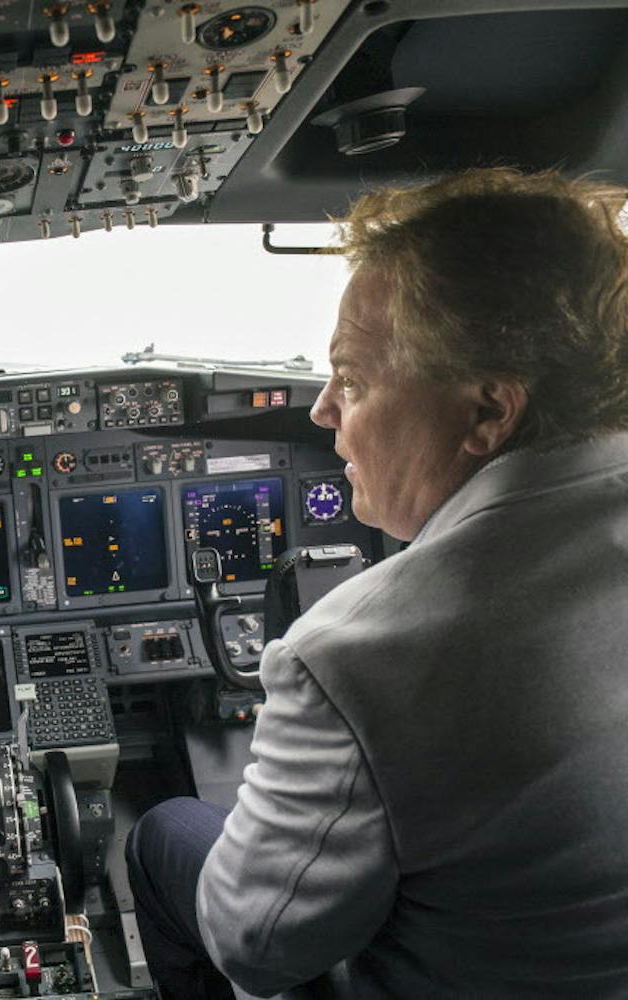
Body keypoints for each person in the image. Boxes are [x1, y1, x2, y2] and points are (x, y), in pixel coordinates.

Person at [125, 168, 628, 998]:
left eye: (353, 380)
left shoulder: (357, 654)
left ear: (488, 412)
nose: (323, 412)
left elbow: (256, 945)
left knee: (163, 833)